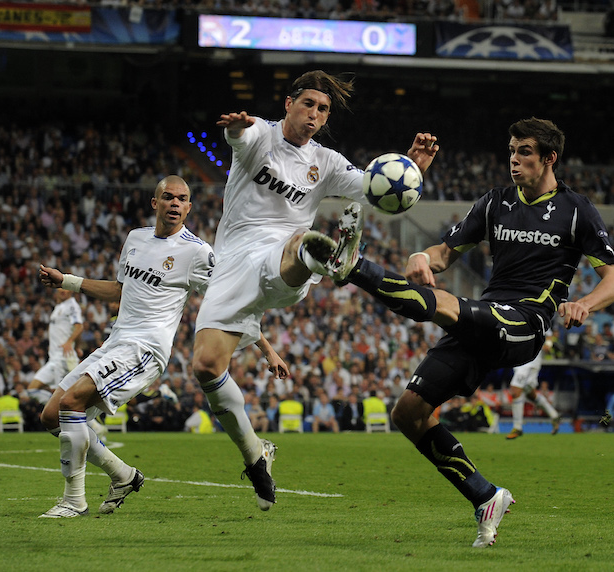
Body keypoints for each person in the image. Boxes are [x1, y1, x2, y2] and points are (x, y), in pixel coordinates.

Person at [309, 117, 614, 548]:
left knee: (441, 304)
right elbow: (443, 253)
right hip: (487, 315)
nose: (514, 160)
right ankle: (485, 496)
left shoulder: (577, 210)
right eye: (511, 151)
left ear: (550, 158)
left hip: (525, 322)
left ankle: (354, 267)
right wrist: (422, 256)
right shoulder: (495, 202)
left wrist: (584, 303)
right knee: (408, 413)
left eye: (525, 152)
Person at [191, 70, 436, 510]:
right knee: (207, 366)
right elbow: (242, 137)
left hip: (283, 257)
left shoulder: (327, 161)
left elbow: (374, 189)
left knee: (298, 241)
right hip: (232, 261)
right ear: (289, 104)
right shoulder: (261, 134)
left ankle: (323, 254)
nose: (315, 114)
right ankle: (256, 453)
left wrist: (412, 169)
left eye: (323, 109)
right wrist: (236, 128)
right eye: (308, 104)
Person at [36, 175, 288, 518]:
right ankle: (123, 475)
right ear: (155, 203)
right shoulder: (135, 238)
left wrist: (267, 349)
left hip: (145, 350)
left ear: (189, 207)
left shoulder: (197, 252)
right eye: (168, 197)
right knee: (52, 416)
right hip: (116, 342)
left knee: (71, 403)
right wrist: (66, 280)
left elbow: (231, 301)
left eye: (182, 199)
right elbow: (119, 290)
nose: (175, 204)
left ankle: (74, 501)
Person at [26, 287, 104, 435]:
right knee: (32, 389)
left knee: (64, 397)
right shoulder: (59, 307)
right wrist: (77, 346)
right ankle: (93, 425)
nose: (63, 291)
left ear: (71, 291)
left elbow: (79, 327)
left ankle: (92, 427)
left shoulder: (72, 305)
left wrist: (70, 343)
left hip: (64, 358)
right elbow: (74, 329)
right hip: (54, 359)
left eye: (66, 288)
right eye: (60, 288)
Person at [505, 338, 560, 439]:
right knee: (530, 394)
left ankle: (517, 427)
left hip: (528, 361)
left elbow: (548, 335)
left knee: (515, 390)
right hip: (521, 360)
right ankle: (554, 415)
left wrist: (548, 344)